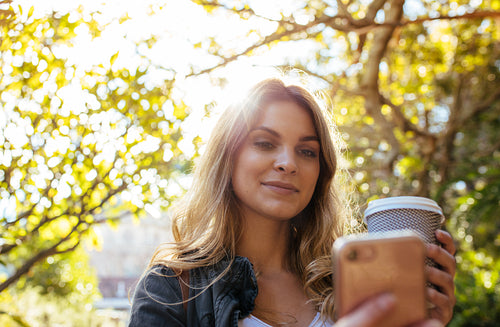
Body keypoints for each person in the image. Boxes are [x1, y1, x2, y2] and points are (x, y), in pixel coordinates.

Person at [128, 77, 456, 326]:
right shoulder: (172, 290)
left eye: (307, 151)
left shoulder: (348, 281)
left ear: (321, 173)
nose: (289, 163)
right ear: (228, 157)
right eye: (265, 143)